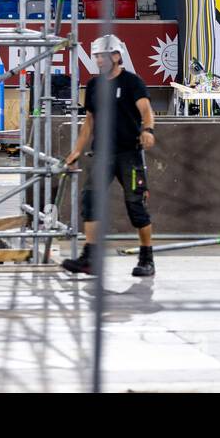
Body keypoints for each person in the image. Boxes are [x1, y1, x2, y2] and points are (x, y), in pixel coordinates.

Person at [61, 34, 157, 277]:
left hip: (129, 154)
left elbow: (146, 111)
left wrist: (147, 130)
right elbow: (89, 122)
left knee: (136, 206)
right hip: (102, 154)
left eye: (103, 56)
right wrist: (76, 151)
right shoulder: (94, 86)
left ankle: (147, 258)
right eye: (96, 57)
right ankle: (90, 258)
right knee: (90, 201)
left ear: (116, 56)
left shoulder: (132, 82)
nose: (99, 61)